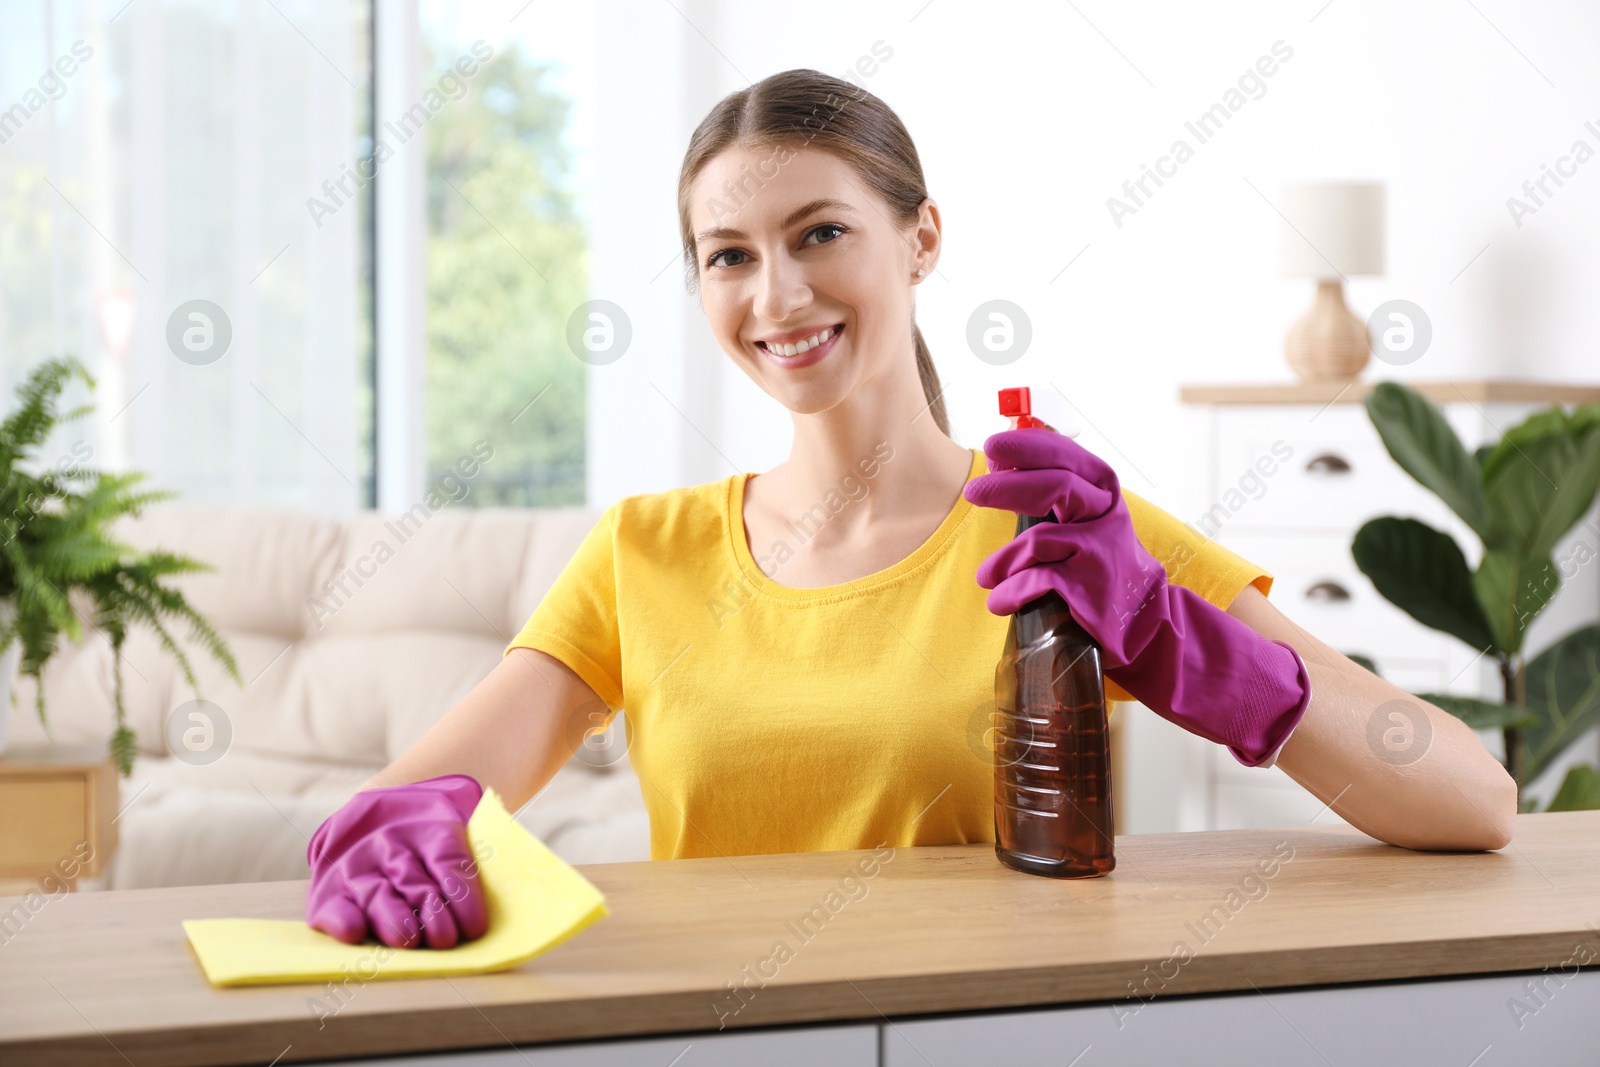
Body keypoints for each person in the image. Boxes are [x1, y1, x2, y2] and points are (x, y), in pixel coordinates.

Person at [305, 69, 1517, 950]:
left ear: (920, 239)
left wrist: (1172, 635)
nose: (777, 293)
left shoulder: (1069, 533)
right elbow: (401, 811)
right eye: (727, 255)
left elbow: (1469, 797)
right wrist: (392, 839)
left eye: (819, 233)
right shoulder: (642, 553)